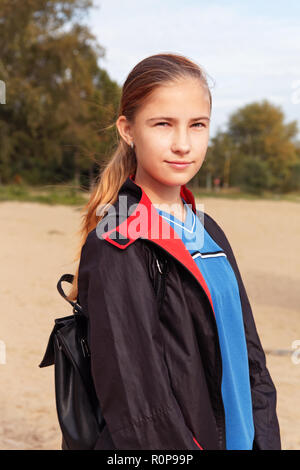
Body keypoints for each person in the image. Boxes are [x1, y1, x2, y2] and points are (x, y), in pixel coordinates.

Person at [67, 53, 281, 450]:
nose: (183, 144)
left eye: (197, 125)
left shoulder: (208, 228)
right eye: (163, 124)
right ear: (128, 130)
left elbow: (251, 361)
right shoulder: (119, 238)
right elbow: (139, 408)